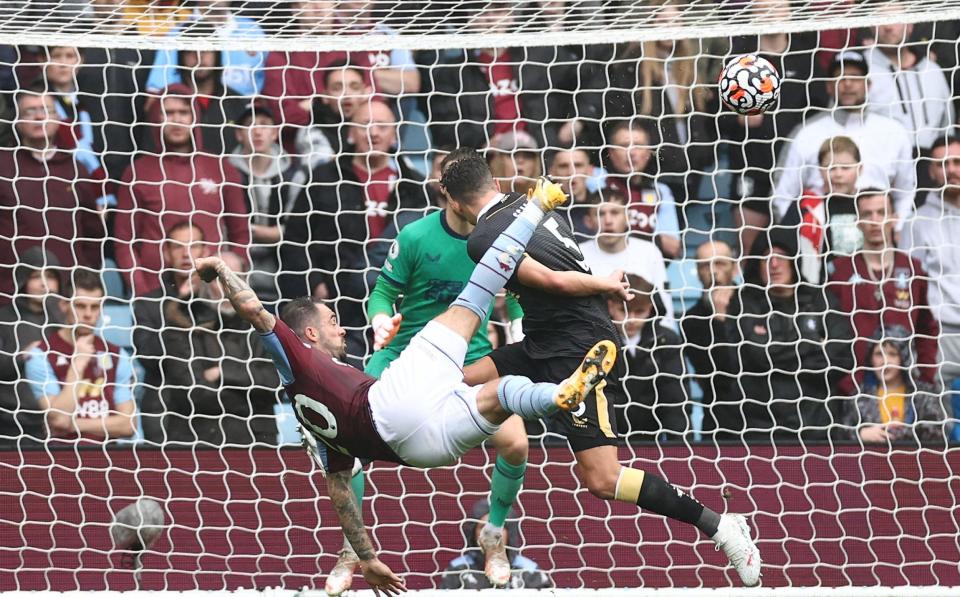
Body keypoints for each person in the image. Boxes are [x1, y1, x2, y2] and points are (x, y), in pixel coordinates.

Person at [194, 178, 618, 594]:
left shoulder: (308, 391)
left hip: (415, 447)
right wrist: (222, 271)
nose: (342, 330)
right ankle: (536, 212)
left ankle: (486, 533)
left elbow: (337, 487)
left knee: (509, 427)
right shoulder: (416, 237)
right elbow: (276, 307)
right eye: (332, 323)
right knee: (481, 296)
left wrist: (369, 554)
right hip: (408, 372)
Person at [445, 149, 761, 586]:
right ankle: (496, 514)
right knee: (453, 379)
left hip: (579, 346)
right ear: (495, 183)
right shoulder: (532, 202)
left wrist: (606, 282)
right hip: (544, 339)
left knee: (602, 478)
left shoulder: (482, 238)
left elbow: (554, 280)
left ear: (455, 203)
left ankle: (722, 527)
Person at [322, 160, 527, 594]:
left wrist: (521, 331)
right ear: (449, 195)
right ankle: (350, 547)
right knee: (347, 442)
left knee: (516, 442)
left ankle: (493, 532)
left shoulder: (501, 238)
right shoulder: (415, 236)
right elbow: (382, 292)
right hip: (403, 358)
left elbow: (521, 300)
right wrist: (380, 321)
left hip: (469, 361)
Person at [281, 100, 427, 358]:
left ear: (394, 133)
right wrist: (315, 284)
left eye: (382, 125)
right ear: (350, 132)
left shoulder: (413, 185)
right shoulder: (325, 178)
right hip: (338, 298)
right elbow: (295, 239)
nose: (373, 132)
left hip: (397, 297)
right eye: (365, 125)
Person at [714, 229, 855, 442]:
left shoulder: (821, 301)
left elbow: (843, 358)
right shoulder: (744, 303)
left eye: (781, 256)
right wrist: (815, 344)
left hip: (817, 429)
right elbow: (758, 355)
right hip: (761, 432)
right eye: (766, 258)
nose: (774, 264)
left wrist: (775, 357)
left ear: (793, 260)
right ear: (757, 265)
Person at [113, 85, 250, 296]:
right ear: (156, 118)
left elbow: (241, 234)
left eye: (184, 112)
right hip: (156, 292)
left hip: (212, 290)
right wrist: (143, 291)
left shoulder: (222, 168)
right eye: (169, 113)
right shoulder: (137, 172)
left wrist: (229, 280)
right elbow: (124, 241)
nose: (176, 119)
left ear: (194, 116)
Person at [772, 50, 916, 224]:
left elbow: (906, 193)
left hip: (879, 236)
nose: (847, 84)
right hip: (820, 239)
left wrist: (897, 229)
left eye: (855, 77)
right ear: (829, 87)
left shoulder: (894, 132)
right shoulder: (806, 133)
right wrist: (800, 238)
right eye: (840, 78)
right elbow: (782, 196)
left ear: (868, 84)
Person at [0, 83, 105, 303]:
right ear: (17, 121)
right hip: (11, 296)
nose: (39, 117)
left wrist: (81, 276)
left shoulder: (76, 169)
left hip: (66, 296)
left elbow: (93, 233)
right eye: (31, 111)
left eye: (46, 110)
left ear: (58, 118)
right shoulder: (3, 165)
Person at [828, 189, 939, 396]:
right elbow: (830, 332)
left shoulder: (914, 269)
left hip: (903, 390)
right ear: (857, 221)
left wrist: (925, 379)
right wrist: (844, 383)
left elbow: (927, 330)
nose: (875, 220)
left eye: (882, 212)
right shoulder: (840, 271)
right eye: (868, 214)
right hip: (853, 390)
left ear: (894, 218)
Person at [25, 269, 137, 444]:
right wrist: (77, 366)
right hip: (59, 460)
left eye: (95, 307)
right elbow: (59, 418)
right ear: (64, 305)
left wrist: (73, 424)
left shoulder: (117, 355)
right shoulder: (41, 355)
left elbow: (128, 425)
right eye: (80, 306)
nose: (88, 314)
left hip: (109, 460)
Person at [133, 222, 209, 444]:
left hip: (217, 408)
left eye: (193, 246)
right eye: (178, 247)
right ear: (166, 252)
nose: (186, 253)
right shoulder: (147, 304)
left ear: (205, 252)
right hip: (164, 410)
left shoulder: (220, 301)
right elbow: (149, 358)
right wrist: (177, 306)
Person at [227, 102, 306, 305]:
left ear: (275, 133)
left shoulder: (294, 175)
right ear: (238, 134)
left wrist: (246, 229)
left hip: (282, 268)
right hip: (239, 265)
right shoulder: (225, 173)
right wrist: (268, 232)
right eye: (250, 125)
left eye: (264, 124)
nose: (257, 131)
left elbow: (292, 231)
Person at [899, 135, 960, 385]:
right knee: (936, 418)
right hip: (939, 336)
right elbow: (908, 285)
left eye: (957, 162)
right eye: (942, 164)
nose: (951, 170)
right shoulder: (917, 223)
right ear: (932, 172)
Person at [607, 275, 688, 441]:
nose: (631, 320)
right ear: (610, 306)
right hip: (604, 442)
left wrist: (680, 448)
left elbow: (674, 400)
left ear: (650, 308)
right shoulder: (596, 341)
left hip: (651, 441)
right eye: (624, 311)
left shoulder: (666, 341)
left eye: (640, 311)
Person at [577, 185, 673, 323]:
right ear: (588, 221)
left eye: (615, 213)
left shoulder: (649, 251)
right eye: (600, 214)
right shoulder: (578, 254)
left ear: (628, 217)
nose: (608, 221)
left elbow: (665, 309)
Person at [866, 12, 955, 154]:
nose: (888, 26)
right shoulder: (859, 71)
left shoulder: (932, 70)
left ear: (910, 25)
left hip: (932, 166)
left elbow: (947, 125)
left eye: (894, 19)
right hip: (881, 163)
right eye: (879, 19)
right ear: (870, 27)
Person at [842, 327, 947, 445]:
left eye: (892, 354)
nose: (885, 361)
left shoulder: (924, 394)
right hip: (872, 461)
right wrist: (860, 433)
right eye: (878, 354)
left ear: (904, 358)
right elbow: (844, 430)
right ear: (871, 359)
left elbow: (937, 431)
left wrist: (901, 432)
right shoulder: (859, 396)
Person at [0, 248, 62, 447]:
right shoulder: (4, 318)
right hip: (11, 424)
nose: (44, 283)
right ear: (23, 280)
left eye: (51, 276)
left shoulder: (67, 320)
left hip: (59, 422)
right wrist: (22, 355)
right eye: (36, 276)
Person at [783, 136, 864, 283]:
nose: (838, 174)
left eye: (846, 168)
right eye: (831, 168)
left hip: (864, 284)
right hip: (820, 287)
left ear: (860, 169)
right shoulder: (806, 206)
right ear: (820, 170)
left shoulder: (871, 204)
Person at [680, 240, 739, 437]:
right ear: (697, 271)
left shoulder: (756, 306)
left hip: (763, 418)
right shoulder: (691, 319)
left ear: (735, 268)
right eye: (705, 265)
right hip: (719, 420)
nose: (713, 271)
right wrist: (719, 318)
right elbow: (719, 374)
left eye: (720, 263)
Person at [601, 121, 681, 258]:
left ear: (649, 153)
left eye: (638, 146)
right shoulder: (596, 180)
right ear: (611, 153)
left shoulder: (660, 191)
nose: (631, 152)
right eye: (624, 146)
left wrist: (626, 230)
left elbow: (673, 247)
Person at [439, 499, 551, 590]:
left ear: (509, 533)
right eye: (483, 528)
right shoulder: (457, 569)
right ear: (473, 533)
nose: (491, 534)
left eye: (499, 527)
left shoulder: (529, 570)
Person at [547, 148, 599, 242]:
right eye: (563, 166)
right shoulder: (544, 212)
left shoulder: (603, 207)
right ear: (552, 173)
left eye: (578, 165)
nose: (571, 172)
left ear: (590, 171)